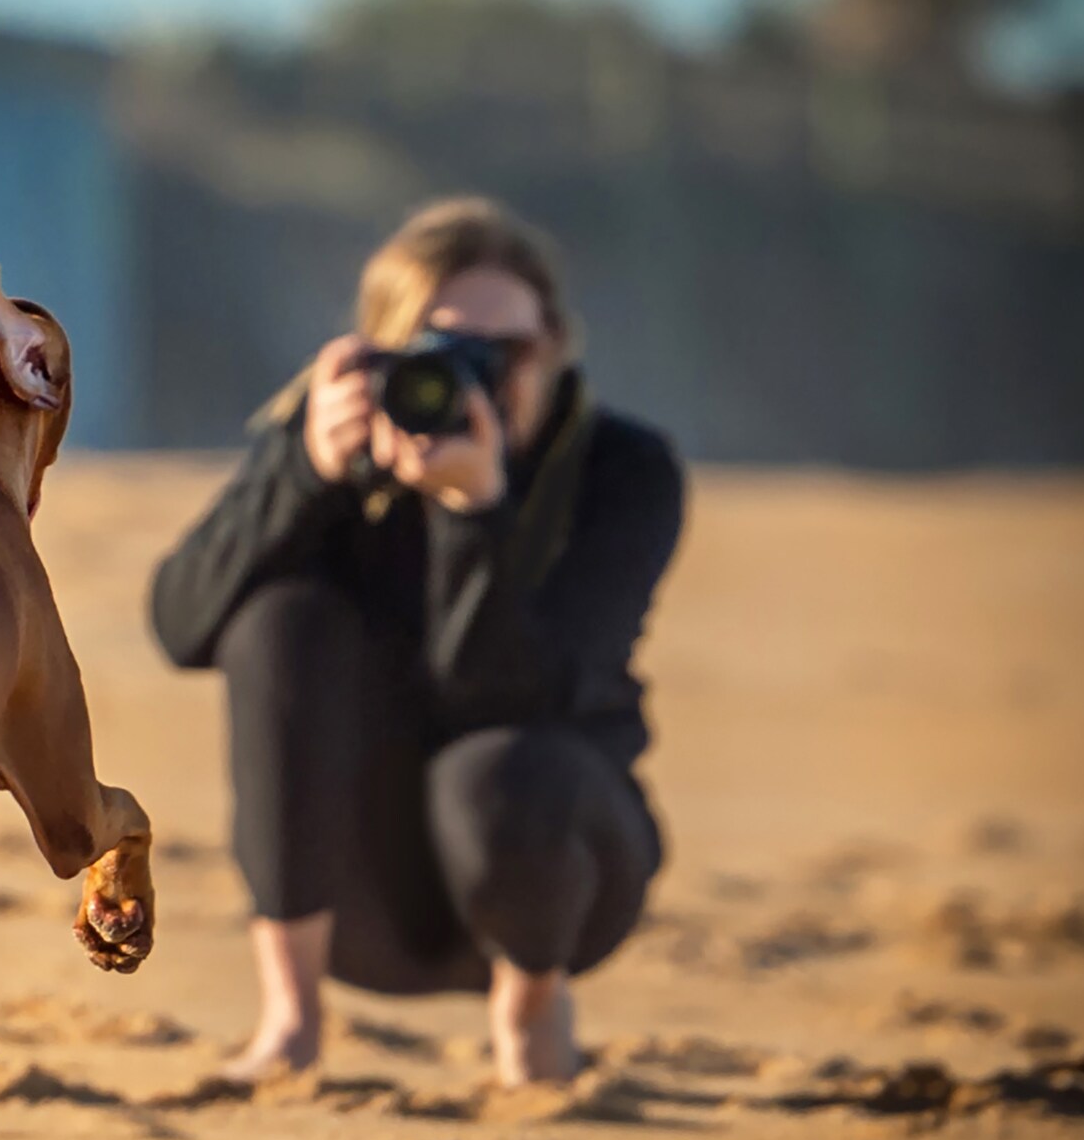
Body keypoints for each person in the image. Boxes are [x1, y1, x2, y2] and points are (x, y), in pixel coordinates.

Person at [148, 196, 685, 1088]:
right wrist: (303, 474)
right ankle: (290, 1016)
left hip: (559, 870)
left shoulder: (622, 472)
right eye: (442, 353)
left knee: (501, 770)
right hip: (364, 898)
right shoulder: (332, 444)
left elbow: (512, 697)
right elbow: (179, 626)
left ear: (554, 343)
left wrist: (476, 513)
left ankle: (531, 1008)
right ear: (385, 354)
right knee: (281, 621)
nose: (477, 378)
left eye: (504, 352)